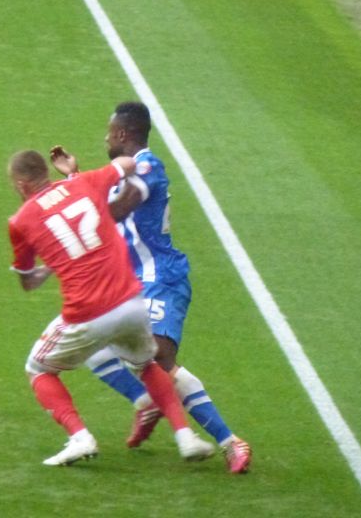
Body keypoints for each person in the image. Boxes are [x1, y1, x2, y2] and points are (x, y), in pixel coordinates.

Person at [49, 101, 253, 474]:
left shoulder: (147, 165)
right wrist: (73, 175)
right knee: (89, 342)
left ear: (123, 134)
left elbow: (120, 208)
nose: (105, 137)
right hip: (128, 283)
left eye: (109, 131)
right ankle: (147, 402)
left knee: (159, 358)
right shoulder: (121, 172)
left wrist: (80, 209)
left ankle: (230, 442)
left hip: (160, 277)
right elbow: (102, 202)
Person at [7, 149, 214, 466]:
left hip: (87, 313)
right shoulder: (84, 182)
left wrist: (50, 266)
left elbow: (28, 282)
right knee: (146, 364)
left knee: (38, 368)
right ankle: (186, 437)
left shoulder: (21, 220)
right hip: (132, 301)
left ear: (21, 185)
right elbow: (127, 164)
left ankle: (80, 437)